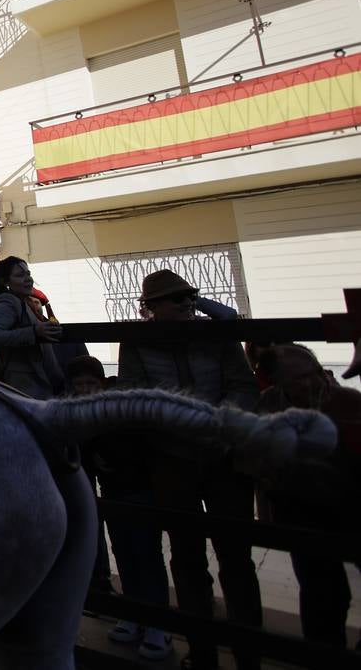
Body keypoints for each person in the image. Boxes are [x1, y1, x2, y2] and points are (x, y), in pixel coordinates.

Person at [118, 268, 261, 670]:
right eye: (175, 298)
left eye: (188, 297)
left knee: (235, 557)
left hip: (222, 456)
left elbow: (243, 385)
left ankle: (248, 653)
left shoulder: (216, 336)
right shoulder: (137, 341)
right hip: (172, 458)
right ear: (153, 308)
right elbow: (136, 392)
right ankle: (203, 653)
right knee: (186, 557)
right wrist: (179, 421)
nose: (185, 303)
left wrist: (220, 421)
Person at [255, 344, 361, 648]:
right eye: (301, 378)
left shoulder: (348, 403)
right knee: (322, 593)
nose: (316, 381)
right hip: (302, 509)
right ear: (279, 383)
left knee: (323, 591)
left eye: (316, 372)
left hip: (346, 505)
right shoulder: (268, 407)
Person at [0, 257, 64, 399]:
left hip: (34, 386)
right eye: (20, 275)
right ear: (6, 282)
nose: (28, 279)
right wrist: (34, 332)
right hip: (24, 387)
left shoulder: (22, 302)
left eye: (28, 274)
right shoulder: (8, 302)